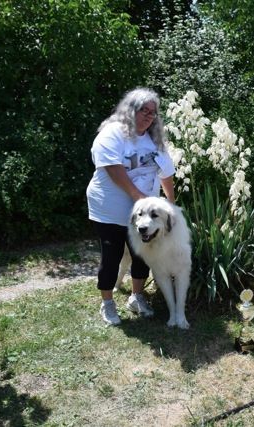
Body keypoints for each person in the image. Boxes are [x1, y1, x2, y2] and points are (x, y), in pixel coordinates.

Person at [86, 87, 176, 325]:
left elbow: (166, 173)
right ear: (130, 109)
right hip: (110, 209)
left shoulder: (154, 141)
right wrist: (139, 197)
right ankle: (107, 303)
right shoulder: (113, 133)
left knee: (142, 255)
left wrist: (171, 206)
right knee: (112, 254)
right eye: (143, 110)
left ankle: (136, 297)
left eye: (153, 112)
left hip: (143, 213)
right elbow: (113, 168)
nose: (148, 115)